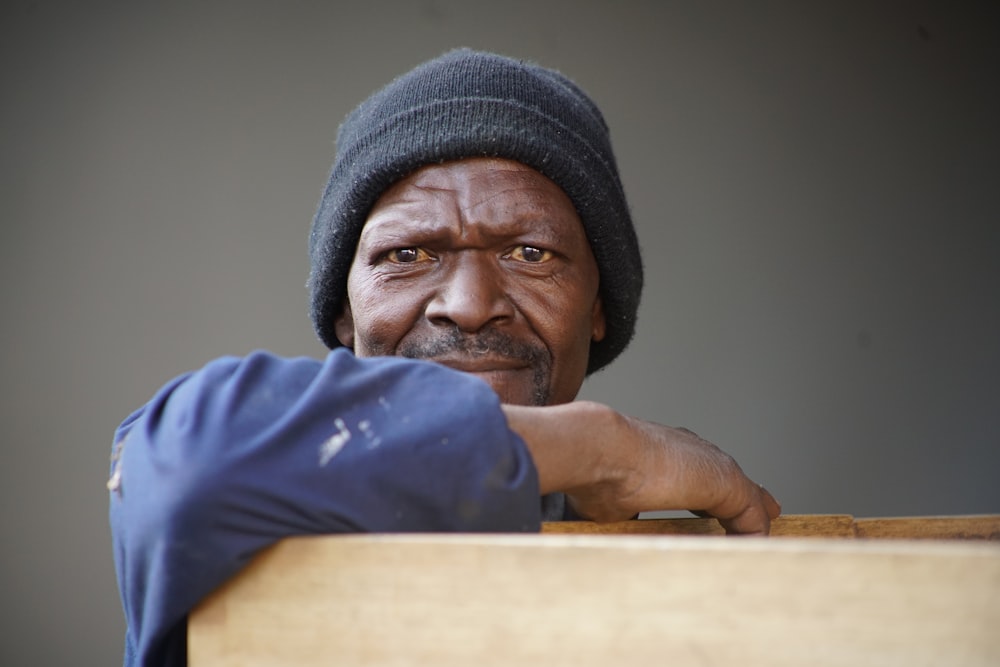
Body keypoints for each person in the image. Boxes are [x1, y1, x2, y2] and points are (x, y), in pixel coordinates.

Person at [109, 48, 780, 667]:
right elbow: (192, 463)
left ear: (599, 305)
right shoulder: (238, 511)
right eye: (406, 255)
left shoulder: (688, 601)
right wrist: (605, 446)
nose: (467, 303)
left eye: (530, 252)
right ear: (343, 312)